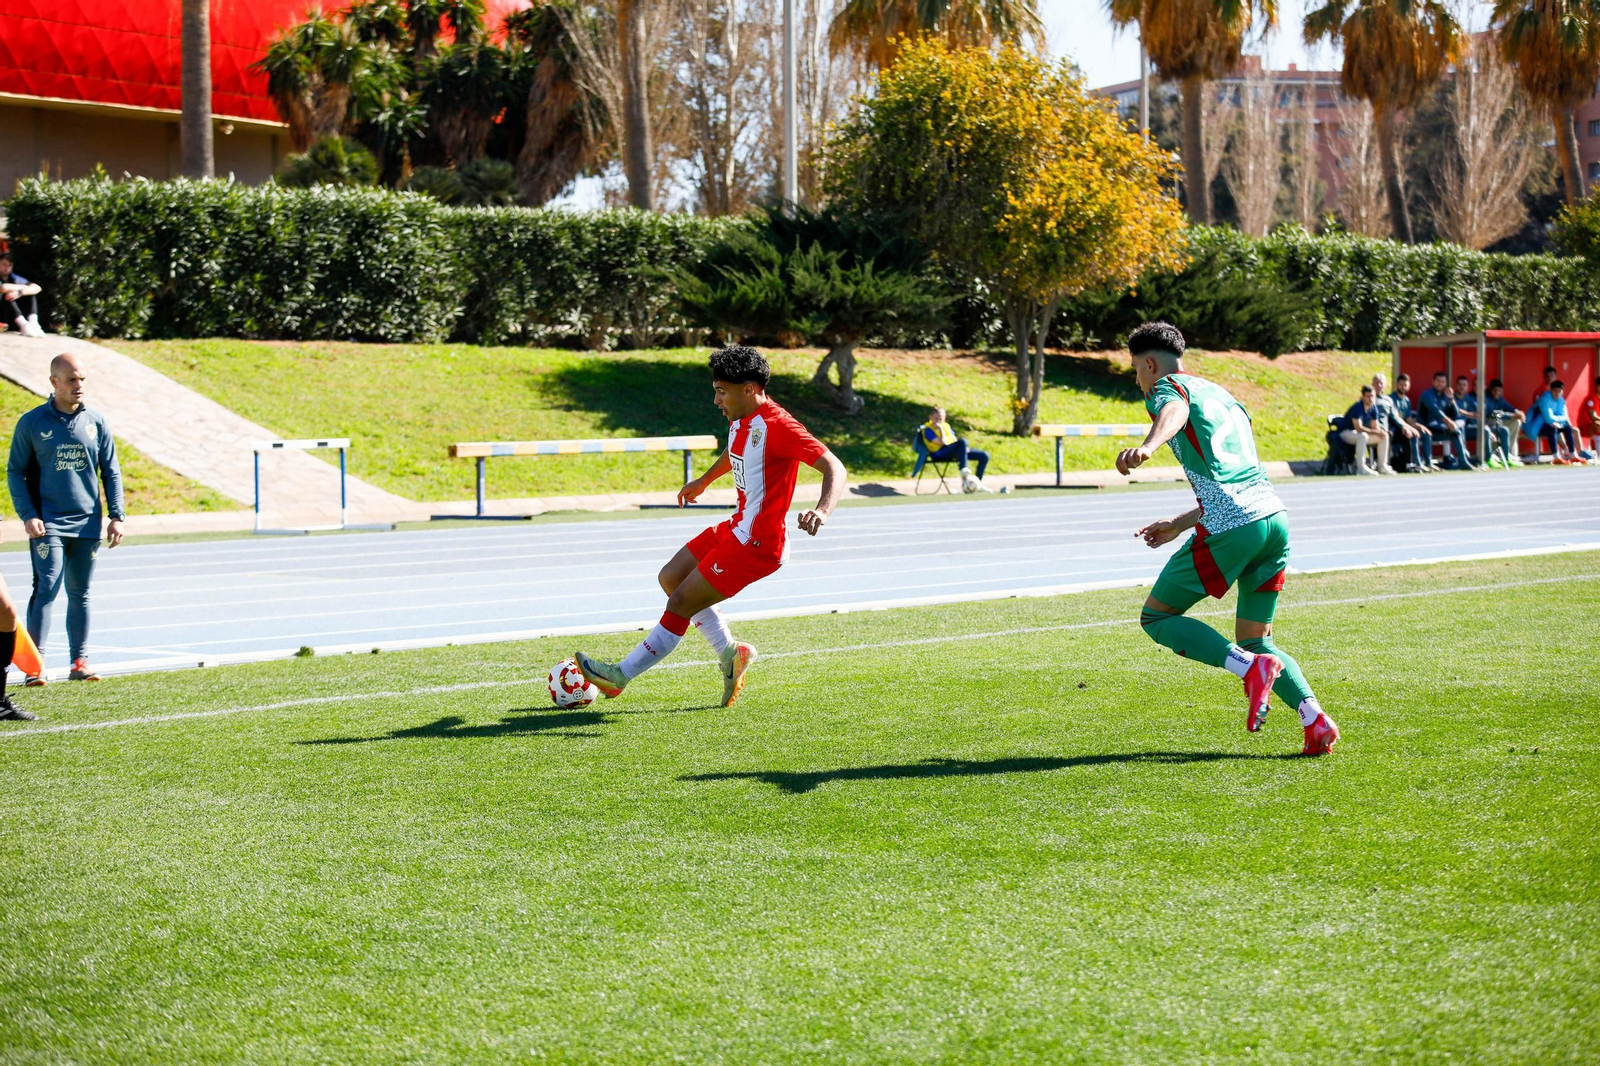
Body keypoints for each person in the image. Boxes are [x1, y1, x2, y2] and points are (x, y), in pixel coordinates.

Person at [573, 345, 847, 707]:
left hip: (759, 543)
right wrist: (704, 480)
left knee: (682, 602)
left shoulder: (780, 426)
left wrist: (822, 510)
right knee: (671, 578)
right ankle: (731, 653)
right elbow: (737, 448)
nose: (716, 399)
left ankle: (619, 675)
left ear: (748, 389)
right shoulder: (741, 417)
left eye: (721, 391)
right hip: (737, 526)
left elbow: (834, 466)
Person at [1115, 321, 1339, 756]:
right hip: (1273, 520)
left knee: (1157, 618)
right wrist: (1180, 524)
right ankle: (1315, 720)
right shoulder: (1224, 398)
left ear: (1148, 364)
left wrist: (1149, 446)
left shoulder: (1168, 389)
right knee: (1258, 638)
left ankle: (1249, 669)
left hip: (1233, 524)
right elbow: (1233, 478)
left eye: (1135, 370)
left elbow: (1172, 412)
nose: (1137, 379)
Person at [6, 353, 126, 685]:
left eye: (82, 380)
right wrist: (28, 515)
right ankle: (35, 668)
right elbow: (15, 471)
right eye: (72, 380)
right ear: (54, 382)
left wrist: (117, 515)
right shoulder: (33, 422)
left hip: (88, 522)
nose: (79, 386)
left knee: (81, 592)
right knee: (46, 587)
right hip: (48, 522)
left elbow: (111, 472)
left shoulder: (96, 421)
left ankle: (79, 662)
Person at [918, 406, 992, 493]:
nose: (938, 421)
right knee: (963, 441)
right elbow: (943, 443)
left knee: (984, 456)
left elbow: (954, 439)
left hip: (952, 451)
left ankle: (975, 484)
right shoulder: (928, 430)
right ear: (930, 417)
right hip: (939, 454)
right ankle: (963, 469)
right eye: (936, 418)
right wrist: (941, 429)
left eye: (941, 419)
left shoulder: (946, 426)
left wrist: (963, 448)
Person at [1419, 370, 1475, 470]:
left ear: (1446, 383)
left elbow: (1455, 413)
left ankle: (1463, 462)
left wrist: (1451, 399)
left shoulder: (1446, 395)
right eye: (1438, 381)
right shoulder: (1427, 394)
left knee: (1456, 431)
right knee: (1454, 429)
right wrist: (1449, 422)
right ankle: (1428, 463)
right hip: (1425, 426)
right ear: (1433, 381)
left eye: (1443, 382)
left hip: (1439, 428)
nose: (1440, 384)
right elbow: (1434, 410)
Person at [1452, 374, 1508, 468]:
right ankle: (1488, 459)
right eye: (1475, 385)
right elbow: (1471, 416)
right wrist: (1486, 428)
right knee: (1485, 430)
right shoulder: (1469, 398)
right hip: (1466, 428)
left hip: (1481, 425)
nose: (1478, 388)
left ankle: (1505, 459)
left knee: (1504, 430)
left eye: (1464, 385)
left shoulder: (1484, 398)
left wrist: (1510, 415)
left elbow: (1491, 413)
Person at [1337, 385, 1394, 475]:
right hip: (1345, 433)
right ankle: (1361, 468)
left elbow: (1375, 426)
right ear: (1363, 397)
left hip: (1359, 434)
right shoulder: (1357, 407)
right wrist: (1375, 432)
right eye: (1368, 396)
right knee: (1363, 436)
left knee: (1384, 436)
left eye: (1372, 396)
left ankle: (1382, 466)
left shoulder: (1373, 408)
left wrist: (1381, 431)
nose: (1370, 399)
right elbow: (1358, 428)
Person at [1532, 380, 1588, 465]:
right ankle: (1556, 457)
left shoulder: (1561, 400)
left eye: (1559, 391)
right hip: (1536, 426)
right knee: (1552, 428)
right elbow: (1548, 418)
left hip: (1553, 424)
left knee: (1568, 428)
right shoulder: (1544, 399)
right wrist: (1558, 420)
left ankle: (1573, 455)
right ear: (1551, 390)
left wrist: (1559, 421)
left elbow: (1564, 416)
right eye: (1555, 391)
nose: (1557, 393)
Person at [1390, 373, 1436, 472]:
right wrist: (1411, 428)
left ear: (1409, 386)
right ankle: (1417, 463)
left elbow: (1408, 419)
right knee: (1413, 435)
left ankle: (1428, 463)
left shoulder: (1406, 400)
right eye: (1401, 384)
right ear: (1397, 385)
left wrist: (1420, 426)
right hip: (1395, 428)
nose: (1403, 387)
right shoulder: (1392, 399)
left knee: (1425, 434)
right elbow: (1396, 418)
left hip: (1406, 426)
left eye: (1405, 385)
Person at [0, 251, 45, 338]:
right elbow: (3, 288)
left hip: (13, 316)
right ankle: (24, 325)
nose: (7, 267)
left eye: (9, 265)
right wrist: (22, 288)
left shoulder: (14, 278)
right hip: (2, 312)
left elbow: (37, 287)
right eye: (4, 264)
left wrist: (20, 292)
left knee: (29, 293)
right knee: (10, 295)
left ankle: (33, 323)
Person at [1482, 379, 1525, 467]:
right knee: (1498, 420)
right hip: (1487, 423)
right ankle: (1494, 453)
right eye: (1494, 390)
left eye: (1499, 390)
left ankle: (1508, 452)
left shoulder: (1500, 398)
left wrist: (1518, 413)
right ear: (1490, 390)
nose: (1496, 392)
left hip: (1498, 423)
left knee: (1516, 422)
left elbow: (1510, 408)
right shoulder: (1486, 397)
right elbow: (1492, 413)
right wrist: (1511, 415)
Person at [1523, 365, 1559, 458]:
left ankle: (1575, 454)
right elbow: (1540, 411)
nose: (1550, 378)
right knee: (1554, 427)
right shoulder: (1539, 392)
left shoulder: (1558, 392)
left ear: (1555, 377)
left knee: (1571, 429)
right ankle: (1561, 452)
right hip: (1540, 422)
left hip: (1553, 420)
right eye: (1548, 376)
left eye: (1552, 375)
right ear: (1544, 377)